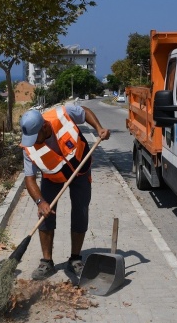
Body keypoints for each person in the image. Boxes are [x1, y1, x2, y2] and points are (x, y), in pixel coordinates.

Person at [19, 104, 110, 280]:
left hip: (80, 171)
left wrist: (99, 128)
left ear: (44, 127)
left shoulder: (61, 114)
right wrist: (40, 202)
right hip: (52, 178)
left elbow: (85, 112)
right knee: (45, 215)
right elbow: (29, 179)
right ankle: (47, 262)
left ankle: (75, 259)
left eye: (34, 136)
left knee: (80, 213)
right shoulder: (28, 147)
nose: (31, 142)